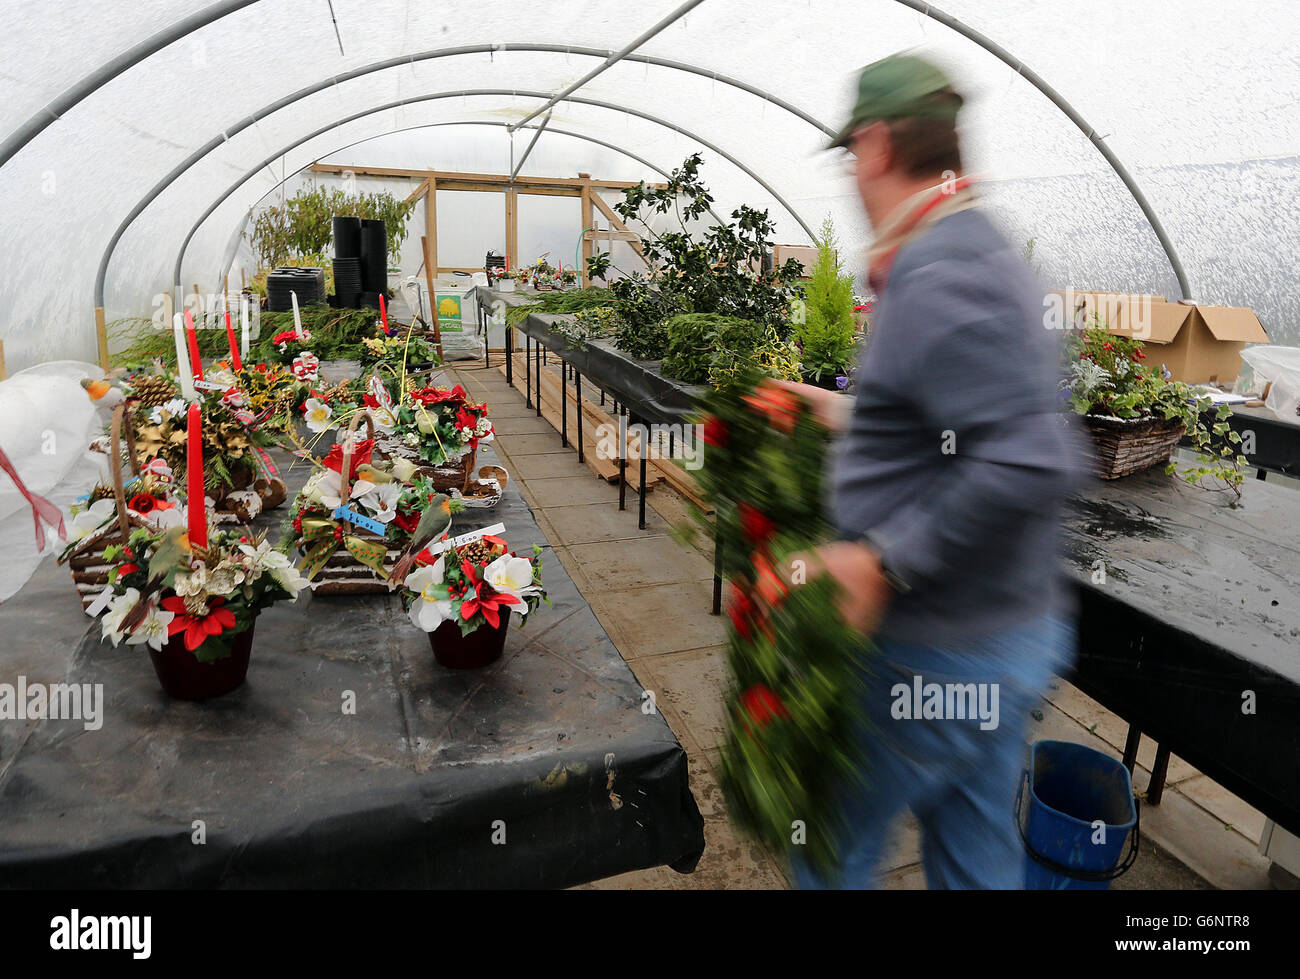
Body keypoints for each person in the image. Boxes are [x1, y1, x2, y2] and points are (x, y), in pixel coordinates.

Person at [774, 54, 1088, 889]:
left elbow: (1029, 454)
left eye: (850, 154)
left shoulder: (945, 268)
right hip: (998, 637)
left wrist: (883, 558)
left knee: (825, 842)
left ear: (876, 145)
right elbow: (953, 419)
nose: (848, 174)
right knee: (975, 852)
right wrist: (834, 407)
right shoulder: (966, 241)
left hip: (933, 650)